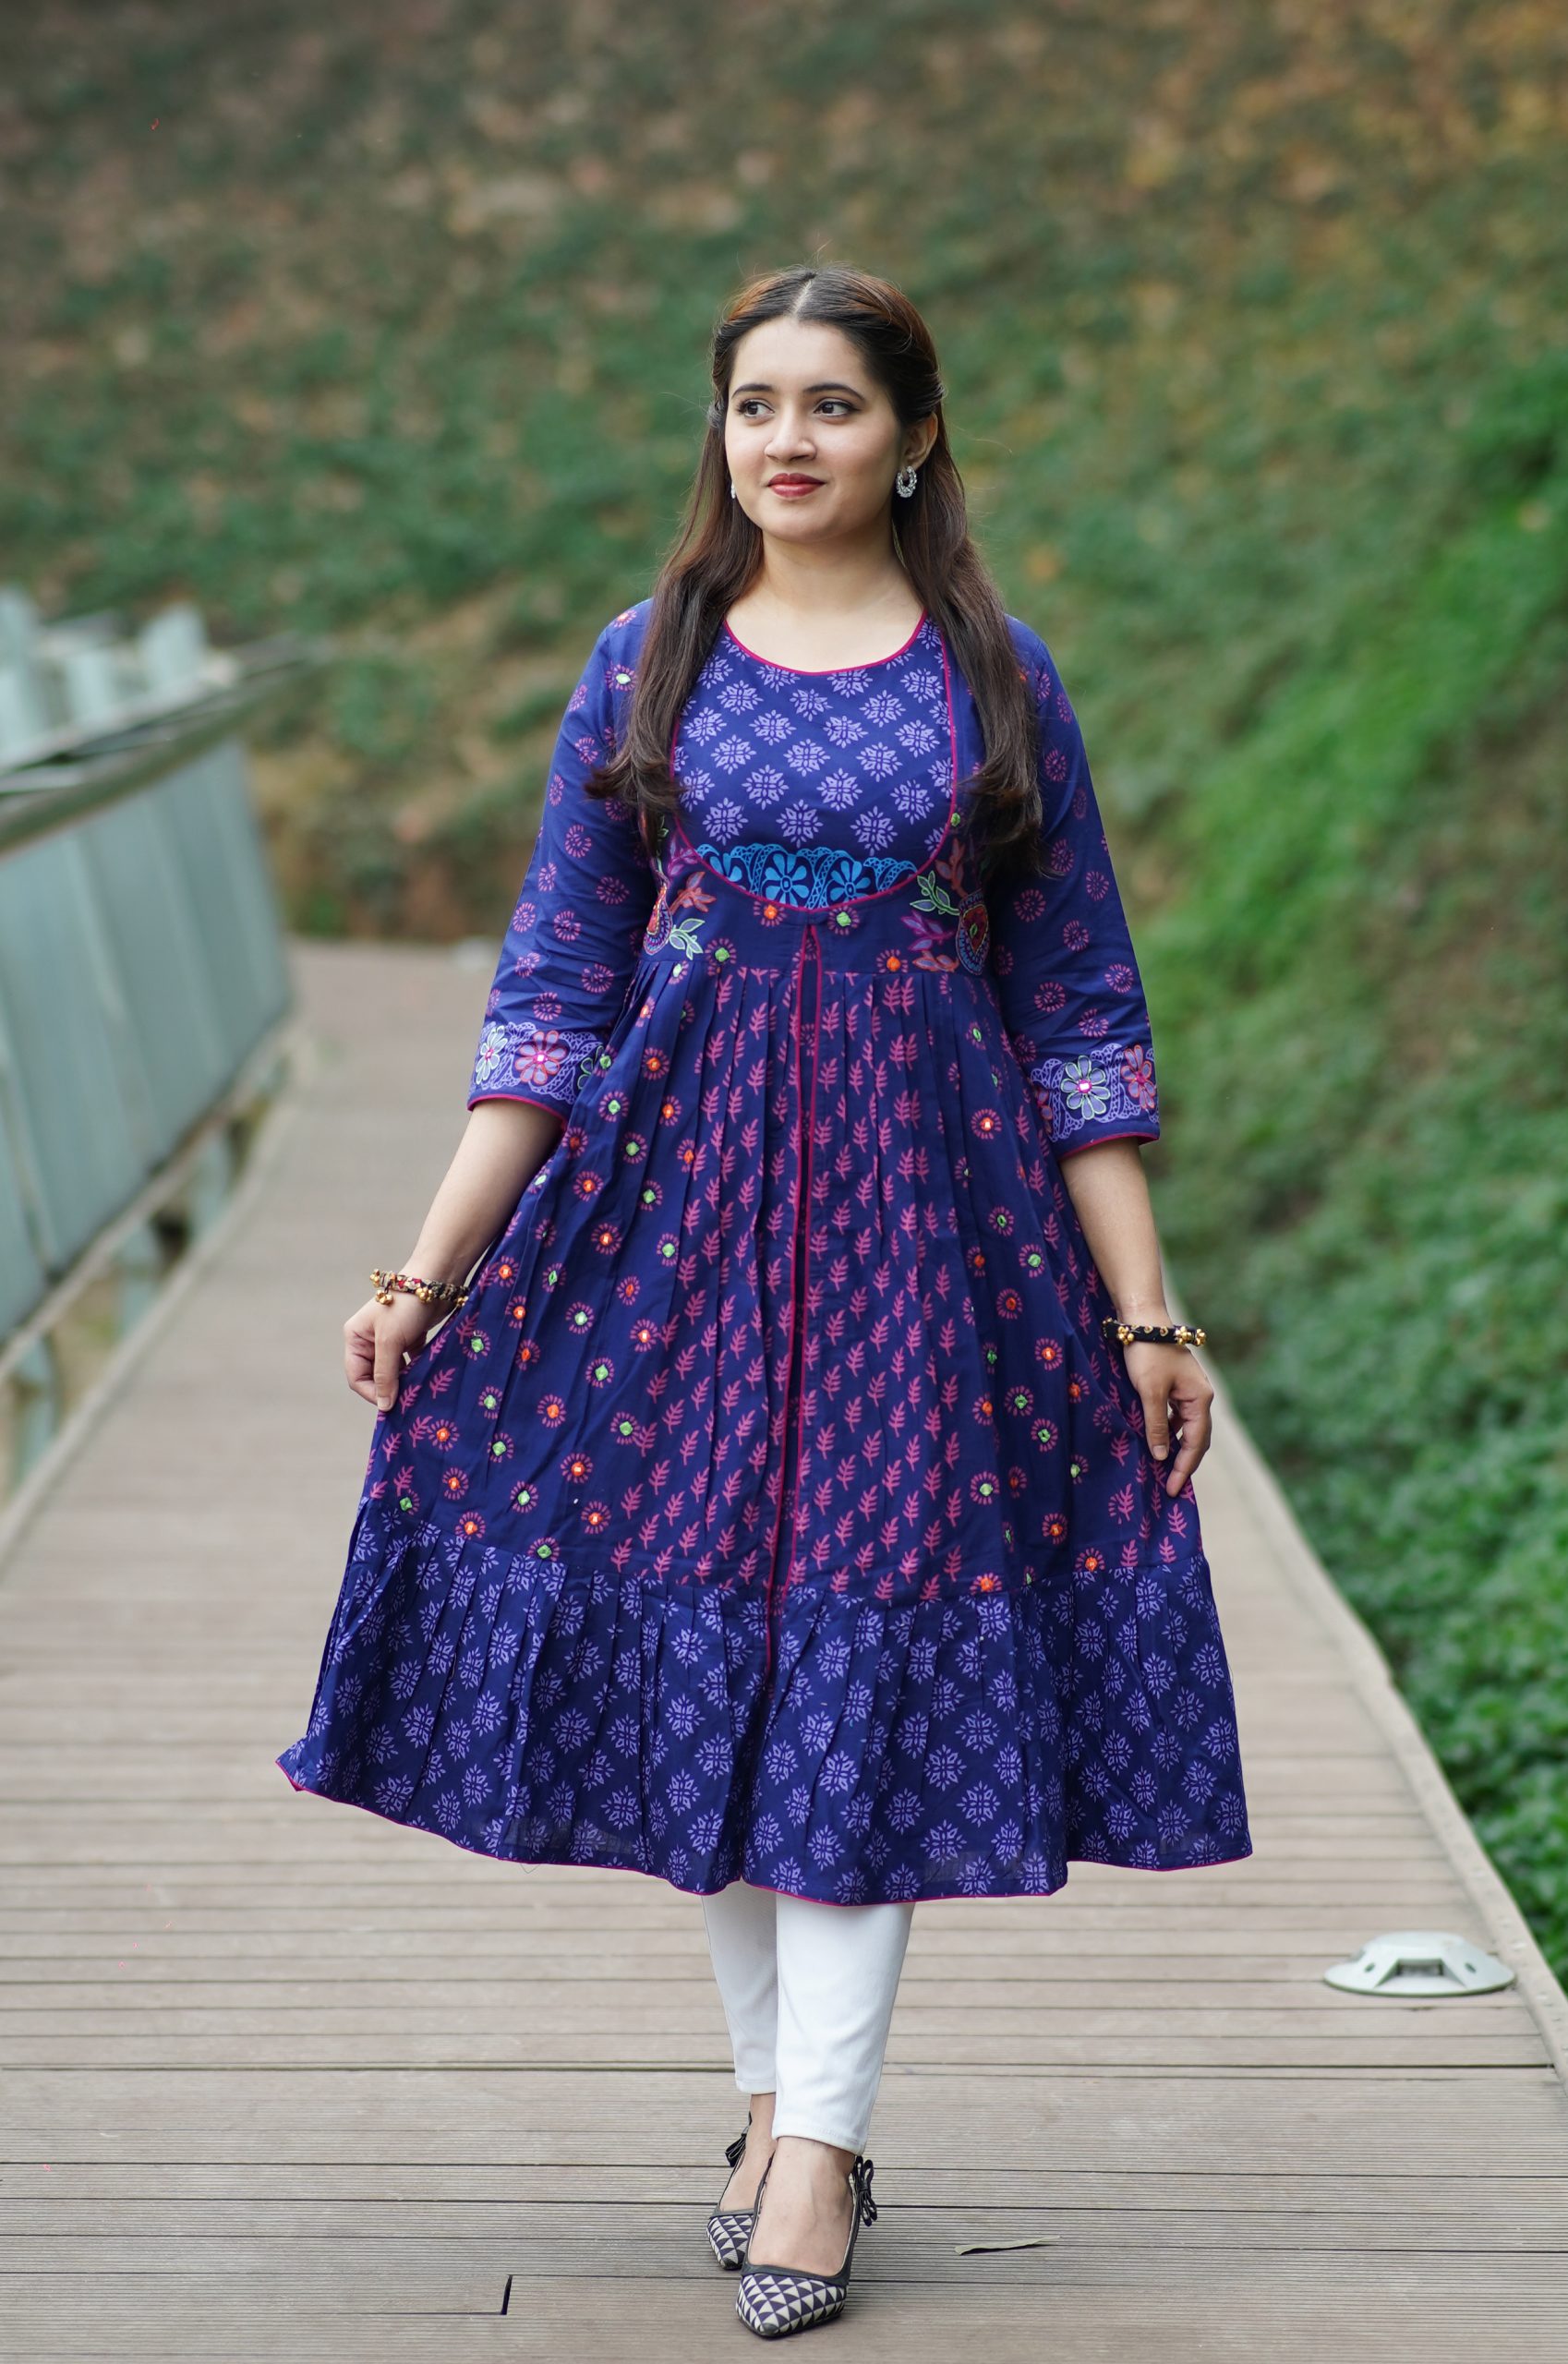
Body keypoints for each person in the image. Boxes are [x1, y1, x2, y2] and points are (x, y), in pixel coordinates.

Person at [276, 261, 1253, 2340]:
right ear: (718, 433)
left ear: (913, 435)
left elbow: (1078, 1011)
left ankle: (820, 2146)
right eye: (753, 405)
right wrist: (427, 1271)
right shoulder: (646, 663)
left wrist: (1146, 1313)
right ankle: (771, 2100)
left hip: (930, 1236)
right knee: (706, 1646)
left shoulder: (998, 680)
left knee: (863, 1657)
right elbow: (552, 991)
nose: (787, 440)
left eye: (831, 404)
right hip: (672, 1222)